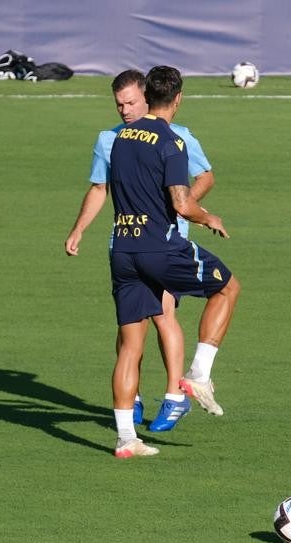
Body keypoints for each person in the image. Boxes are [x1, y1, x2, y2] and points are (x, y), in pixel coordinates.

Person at [64, 69, 216, 432]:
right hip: (124, 242)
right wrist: (78, 229)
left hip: (164, 242)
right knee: (130, 328)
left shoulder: (176, 136)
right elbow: (99, 187)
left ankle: (173, 397)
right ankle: (129, 399)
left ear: (148, 98)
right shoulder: (109, 140)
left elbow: (205, 175)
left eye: (131, 102)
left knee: (164, 316)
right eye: (119, 104)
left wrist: (183, 208)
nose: (125, 110)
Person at [101, 65, 241, 458]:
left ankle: (127, 439)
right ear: (177, 99)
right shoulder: (171, 142)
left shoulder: (119, 137)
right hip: (159, 248)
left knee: (130, 345)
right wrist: (207, 216)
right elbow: (180, 203)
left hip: (122, 249)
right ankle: (197, 375)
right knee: (228, 287)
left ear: (147, 96)